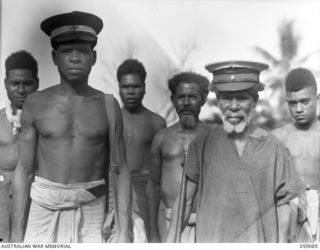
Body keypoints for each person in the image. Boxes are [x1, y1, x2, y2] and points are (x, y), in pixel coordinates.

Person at [11, 11, 132, 243]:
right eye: (67, 51)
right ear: (55, 57)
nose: (75, 58)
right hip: (43, 209)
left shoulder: (108, 105)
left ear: (93, 57)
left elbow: (123, 169)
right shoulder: (36, 103)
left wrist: (125, 230)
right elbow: (23, 170)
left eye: (83, 51)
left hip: (92, 210)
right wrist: (17, 233)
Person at [167, 61, 306, 243]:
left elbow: (283, 206)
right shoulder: (201, 146)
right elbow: (184, 201)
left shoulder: (274, 148)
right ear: (218, 101)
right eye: (226, 98)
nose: (233, 106)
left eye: (241, 98)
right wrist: (169, 242)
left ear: (254, 101)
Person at [147, 72, 211, 242]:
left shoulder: (214, 136)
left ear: (204, 99)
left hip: (207, 225)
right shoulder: (162, 138)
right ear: (173, 99)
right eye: (181, 97)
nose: (186, 103)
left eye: (192, 97)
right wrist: (152, 231)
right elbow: (153, 186)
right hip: (169, 223)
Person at [117, 59, 166, 240]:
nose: (130, 92)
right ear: (119, 87)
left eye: (135, 86)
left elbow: (160, 171)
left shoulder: (156, 122)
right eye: (125, 86)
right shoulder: (111, 119)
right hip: (114, 190)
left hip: (144, 192)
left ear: (144, 87)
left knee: (145, 237)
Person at [272, 68, 320, 242]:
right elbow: (269, 183)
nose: (298, 109)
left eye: (304, 102)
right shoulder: (278, 138)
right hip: (289, 215)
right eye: (292, 103)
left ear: (317, 98)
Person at [0, 51, 39, 242]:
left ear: (37, 83)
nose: (21, 89)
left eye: (27, 83)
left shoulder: (49, 124)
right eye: (15, 83)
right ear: (6, 83)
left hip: (37, 202)